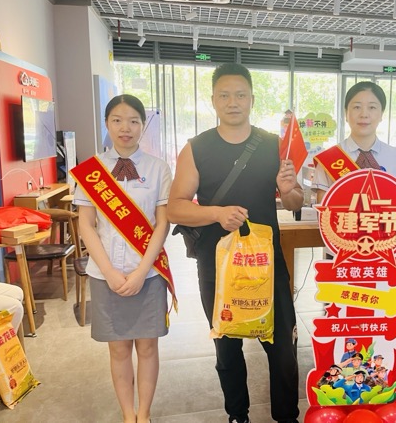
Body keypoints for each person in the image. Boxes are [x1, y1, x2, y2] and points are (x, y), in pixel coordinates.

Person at [167, 63, 302, 423]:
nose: (232, 102)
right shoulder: (196, 149)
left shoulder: (273, 145)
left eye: (240, 95)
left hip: (267, 264)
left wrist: (288, 190)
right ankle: (237, 415)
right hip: (217, 266)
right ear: (212, 100)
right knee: (227, 348)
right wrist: (215, 213)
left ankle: (287, 416)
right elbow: (175, 208)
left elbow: (295, 201)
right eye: (224, 95)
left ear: (252, 99)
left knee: (283, 347)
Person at [74, 94, 172, 423]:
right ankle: (128, 415)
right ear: (107, 123)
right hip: (106, 276)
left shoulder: (159, 169)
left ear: (143, 126)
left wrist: (142, 271)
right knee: (118, 349)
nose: (125, 128)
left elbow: (162, 224)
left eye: (133, 121)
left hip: (149, 274)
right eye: (117, 120)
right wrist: (110, 272)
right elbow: (86, 225)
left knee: (147, 347)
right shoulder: (91, 171)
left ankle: (144, 414)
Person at [311, 81, 396, 203]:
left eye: (372, 107)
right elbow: (323, 209)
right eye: (357, 107)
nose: (364, 114)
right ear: (346, 113)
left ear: (381, 114)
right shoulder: (328, 159)